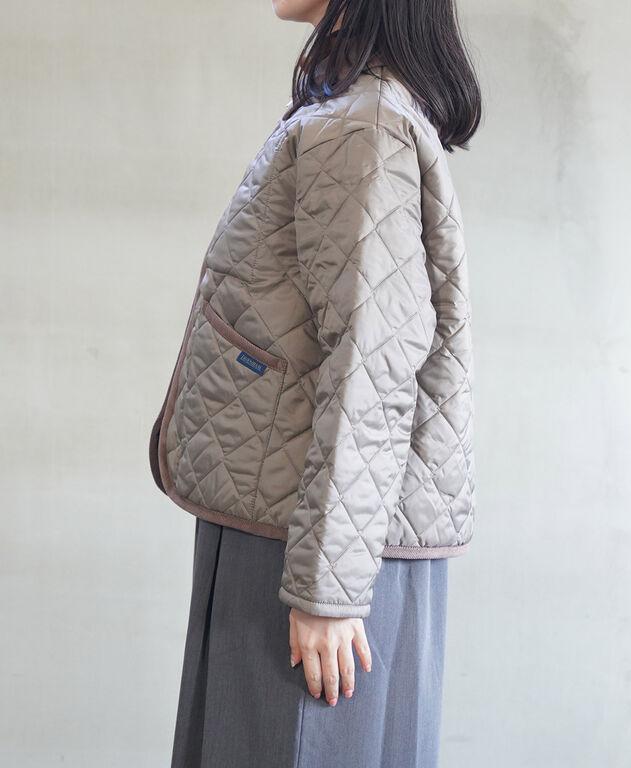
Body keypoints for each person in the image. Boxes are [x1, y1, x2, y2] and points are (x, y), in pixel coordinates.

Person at [149, 1, 481, 766]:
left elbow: (373, 365)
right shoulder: (353, 111)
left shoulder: (361, 125)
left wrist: (327, 589)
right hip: (297, 523)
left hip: (307, 548)